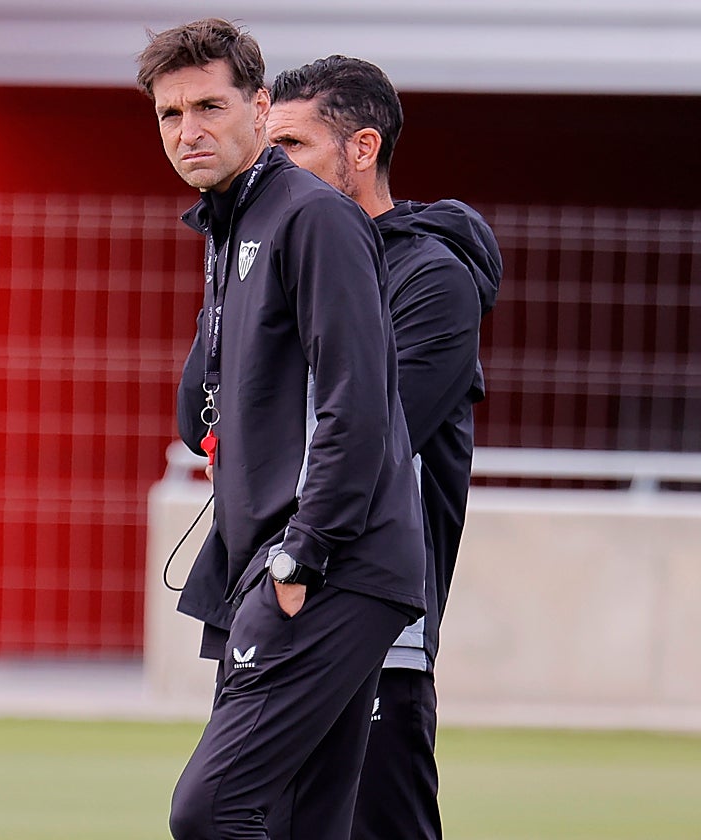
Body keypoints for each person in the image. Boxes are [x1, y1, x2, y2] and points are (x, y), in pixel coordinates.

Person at [136, 19, 427, 840]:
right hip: (277, 559)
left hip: (326, 561)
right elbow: (201, 413)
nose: (189, 131)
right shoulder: (233, 223)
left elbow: (357, 403)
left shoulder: (313, 216)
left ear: (260, 109)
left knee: (211, 809)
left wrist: (303, 553)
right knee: (304, 820)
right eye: (169, 114)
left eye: (209, 106)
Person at [268, 56, 502, 840]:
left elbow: (363, 434)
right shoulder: (276, 261)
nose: (275, 168)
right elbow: (197, 406)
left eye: (293, 146)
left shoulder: (433, 279)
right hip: (272, 602)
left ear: (361, 149)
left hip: (378, 623)